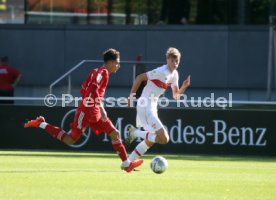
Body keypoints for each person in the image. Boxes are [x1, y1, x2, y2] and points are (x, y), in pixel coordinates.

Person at [24, 48, 143, 173]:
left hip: (93, 110)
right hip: (86, 112)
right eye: (117, 63)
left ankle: (126, 164)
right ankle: (41, 123)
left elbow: (84, 89)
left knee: (115, 133)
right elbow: (92, 88)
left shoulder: (97, 72)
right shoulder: (102, 73)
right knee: (71, 139)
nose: (119, 66)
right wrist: (100, 107)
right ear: (110, 63)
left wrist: (96, 106)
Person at [125, 47, 191, 163]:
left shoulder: (175, 74)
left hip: (152, 107)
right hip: (145, 105)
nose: (175, 64)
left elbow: (176, 96)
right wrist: (131, 96)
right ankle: (134, 133)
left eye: (177, 61)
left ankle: (127, 163)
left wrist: (184, 87)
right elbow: (140, 77)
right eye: (172, 61)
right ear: (167, 60)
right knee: (164, 139)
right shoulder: (161, 71)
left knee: (151, 140)